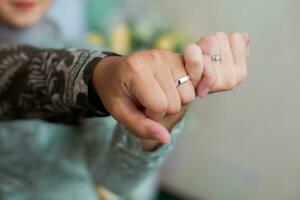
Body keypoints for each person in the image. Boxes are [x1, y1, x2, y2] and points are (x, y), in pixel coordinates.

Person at [0, 0, 250, 199]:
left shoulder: (83, 48)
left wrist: (170, 100)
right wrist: (99, 74)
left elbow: (116, 178)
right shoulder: (94, 58)